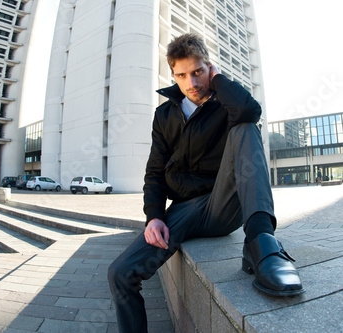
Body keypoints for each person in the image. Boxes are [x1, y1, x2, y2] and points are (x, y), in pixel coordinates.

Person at [108, 33, 304, 333]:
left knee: (246, 128)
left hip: (221, 204)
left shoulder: (226, 104)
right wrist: (154, 217)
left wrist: (219, 81)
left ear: (209, 69)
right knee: (120, 273)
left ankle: (263, 245)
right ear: (173, 75)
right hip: (183, 211)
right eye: (182, 75)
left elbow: (250, 111)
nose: (192, 83)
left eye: (198, 72)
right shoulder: (164, 115)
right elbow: (155, 171)